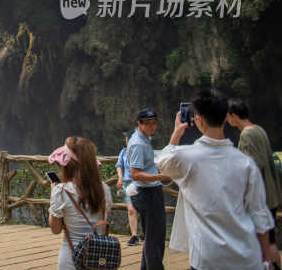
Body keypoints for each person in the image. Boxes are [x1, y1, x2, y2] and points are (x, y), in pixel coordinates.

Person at [158, 90, 278, 269]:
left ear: (198, 119)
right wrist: (268, 257)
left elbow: (162, 161)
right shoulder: (246, 164)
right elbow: (259, 215)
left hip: (208, 258)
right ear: (224, 119)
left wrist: (177, 132)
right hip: (246, 257)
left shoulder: (186, 158)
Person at [48, 136, 113, 270]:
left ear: (68, 164)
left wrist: (53, 195)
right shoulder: (104, 189)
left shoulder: (61, 191)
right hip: (98, 258)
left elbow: (55, 229)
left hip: (70, 259)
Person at [226, 98, 282, 250]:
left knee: (262, 247)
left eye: (227, 115)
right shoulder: (258, 129)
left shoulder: (247, 135)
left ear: (233, 115)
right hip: (270, 196)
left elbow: (255, 166)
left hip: (261, 200)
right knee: (270, 244)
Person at [127, 108, 170, 270]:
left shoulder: (144, 138)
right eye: (147, 124)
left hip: (150, 191)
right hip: (147, 193)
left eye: (154, 123)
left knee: (154, 236)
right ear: (139, 124)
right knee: (154, 238)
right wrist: (161, 177)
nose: (151, 127)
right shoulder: (138, 143)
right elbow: (135, 174)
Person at [116, 130, 140, 246]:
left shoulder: (140, 151)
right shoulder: (123, 152)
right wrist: (120, 177)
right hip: (127, 183)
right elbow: (119, 165)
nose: (125, 139)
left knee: (143, 209)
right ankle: (134, 235)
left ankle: (147, 234)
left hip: (140, 183)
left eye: (127, 137)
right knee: (131, 210)